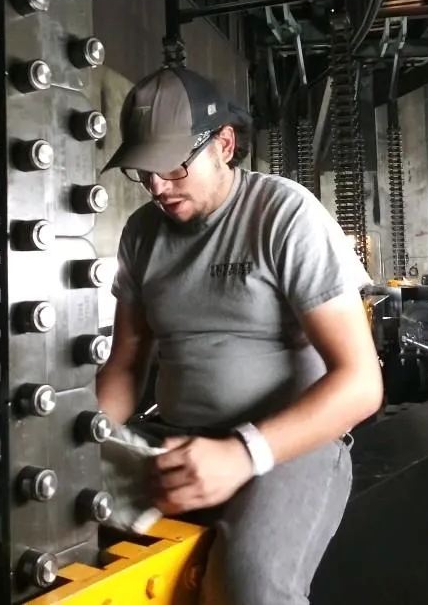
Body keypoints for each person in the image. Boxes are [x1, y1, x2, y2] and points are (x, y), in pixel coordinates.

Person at [96, 66, 384, 605]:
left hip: (290, 444)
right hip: (179, 437)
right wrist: (79, 439)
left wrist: (242, 454)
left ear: (224, 145)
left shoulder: (284, 214)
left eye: (174, 166)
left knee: (247, 584)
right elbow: (125, 364)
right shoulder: (141, 235)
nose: (158, 186)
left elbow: (362, 384)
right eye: (144, 172)